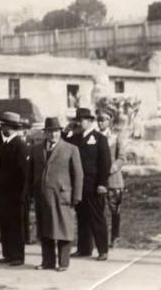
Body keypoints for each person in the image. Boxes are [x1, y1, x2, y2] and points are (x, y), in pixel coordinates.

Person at [27, 117, 84, 272]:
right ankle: (48, 262)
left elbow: (78, 174)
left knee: (63, 230)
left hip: (63, 196)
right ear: (45, 133)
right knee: (45, 230)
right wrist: (29, 193)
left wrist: (77, 196)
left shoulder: (71, 149)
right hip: (42, 196)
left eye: (56, 131)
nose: (53, 135)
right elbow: (30, 173)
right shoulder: (36, 149)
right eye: (50, 132)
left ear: (60, 132)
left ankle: (63, 263)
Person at [69, 108, 112, 261]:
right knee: (82, 217)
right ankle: (84, 249)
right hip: (79, 186)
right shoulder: (74, 138)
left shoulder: (100, 139)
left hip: (94, 185)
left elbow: (105, 163)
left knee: (97, 217)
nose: (79, 123)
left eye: (82, 120)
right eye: (77, 120)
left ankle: (103, 250)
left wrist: (102, 183)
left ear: (90, 121)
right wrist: (68, 129)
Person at [0, 111, 29, 266]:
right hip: (4, 193)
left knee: (16, 224)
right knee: (6, 223)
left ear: (11, 127)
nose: (1, 127)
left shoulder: (20, 146)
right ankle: (8, 254)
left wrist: (23, 194)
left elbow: (24, 173)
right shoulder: (4, 145)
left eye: (3, 125)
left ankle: (18, 256)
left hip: (16, 194)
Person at [96, 107, 126, 248]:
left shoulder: (116, 137)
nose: (101, 123)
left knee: (115, 211)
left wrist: (110, 169)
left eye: (104, 120)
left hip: (113, 180)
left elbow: (121, 158)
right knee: (98, 211)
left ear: (110, 121)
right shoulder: (94, 137)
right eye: (99, 120)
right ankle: (100, 239)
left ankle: (115, 237)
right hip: (98, 181)